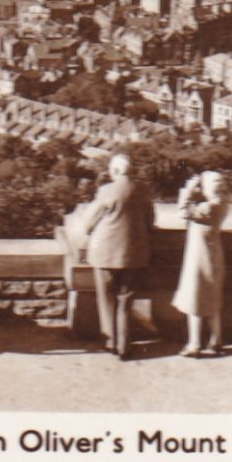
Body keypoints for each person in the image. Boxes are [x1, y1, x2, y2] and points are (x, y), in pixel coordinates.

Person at [81, 153, 154, 360]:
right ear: (131, 171)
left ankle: (111, 340)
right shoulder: (143, 190)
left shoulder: (106, 190)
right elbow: (150, 222)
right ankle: (124, 344)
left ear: (114, 171)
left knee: (106, 298)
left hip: (105, 253)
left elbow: (88, 223)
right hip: (135, 254)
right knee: (126, 299)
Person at [173, 170, 230, 357]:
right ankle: (216, 341)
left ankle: (194, 344)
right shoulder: (222, 201)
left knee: (195, 301)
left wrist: (187, 190)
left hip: (200, 258)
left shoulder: (210, 207)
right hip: (212, 255)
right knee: (212, 303)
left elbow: (183, 211)